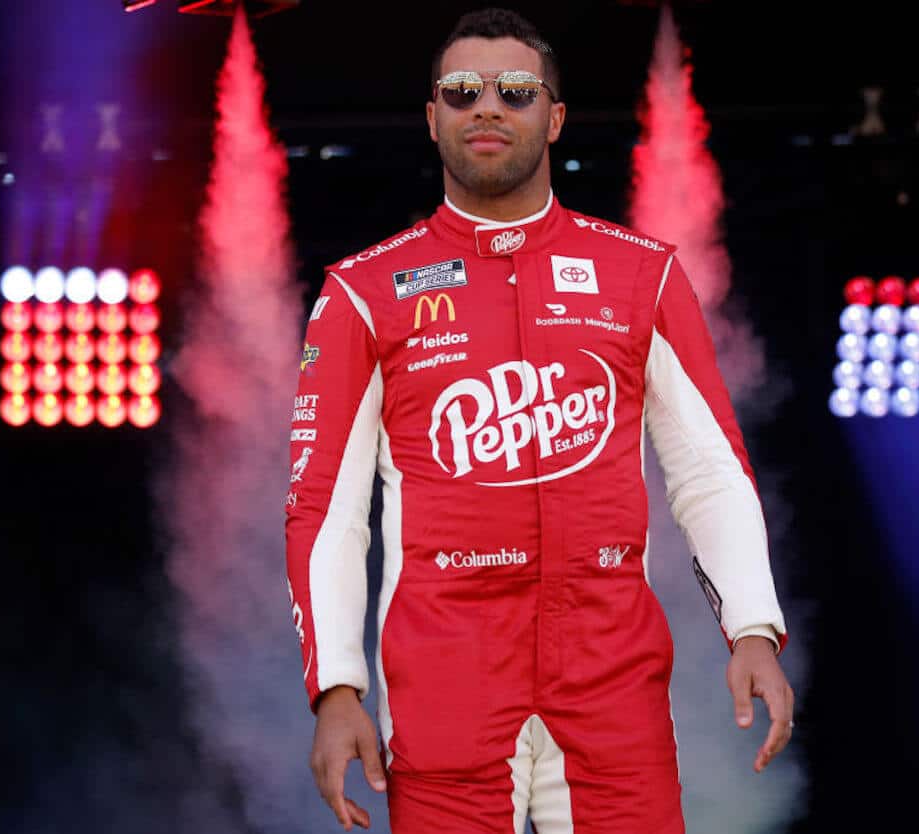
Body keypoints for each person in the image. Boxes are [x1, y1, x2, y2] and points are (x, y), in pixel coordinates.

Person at [285, 8, 793, 832]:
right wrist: (336, 688)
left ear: (554, 117)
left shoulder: (641, 275)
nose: (487, 107)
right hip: (444, 681)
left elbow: (708, 469)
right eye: (461, 91)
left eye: (515, 91)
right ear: (431, 117)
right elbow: (327, 512)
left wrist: (754, 629)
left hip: (611, 681)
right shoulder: (361, 293)